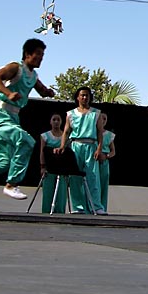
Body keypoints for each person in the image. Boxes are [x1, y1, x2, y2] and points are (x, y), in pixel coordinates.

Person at [0, 39, 55, 204]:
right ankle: (11, 185)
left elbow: (41, 90)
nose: (41, 58)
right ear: (27, 54)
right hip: (1, 115)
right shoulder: (15, 68)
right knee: (26, 140)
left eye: (43, 55)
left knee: (3, 160)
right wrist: (8, 93)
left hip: (14, 117)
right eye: (38, 55)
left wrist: (48, 92)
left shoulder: (33, 75)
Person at [57, 87, 106, 215]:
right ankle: (78, 207)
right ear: (78, 97)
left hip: (91, 146)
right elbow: (66, 132)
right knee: (75, 177)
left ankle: (96, 206)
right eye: (82, 95)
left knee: (93, 176)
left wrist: (99, 148)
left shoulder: (96, 113)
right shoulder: (70, 114)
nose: (85, 98)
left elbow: (100, 133)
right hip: (76, 146)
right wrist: (62, 146)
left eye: (87, 95)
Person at [39, 113, 69, 214]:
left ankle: (60, 212)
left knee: (61, 192)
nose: (56, 122)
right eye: (54, 119)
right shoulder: (45, 136)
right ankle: (46, 212)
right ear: (50, 122)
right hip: (49, 168)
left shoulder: (65, 137)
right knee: (48, 191)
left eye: (58, 120)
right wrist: (42, 166)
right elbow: (42, 152)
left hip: (62, 168)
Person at [97, 113, 115, 213]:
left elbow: (113, 151)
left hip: (104, 163)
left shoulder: (109, 135)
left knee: (103, 186)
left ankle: (102, 208)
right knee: (94, 185)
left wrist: (107, 156)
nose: (103, 120)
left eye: (105, 118)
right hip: (94, 161)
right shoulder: (93, 133)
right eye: (101, 118)